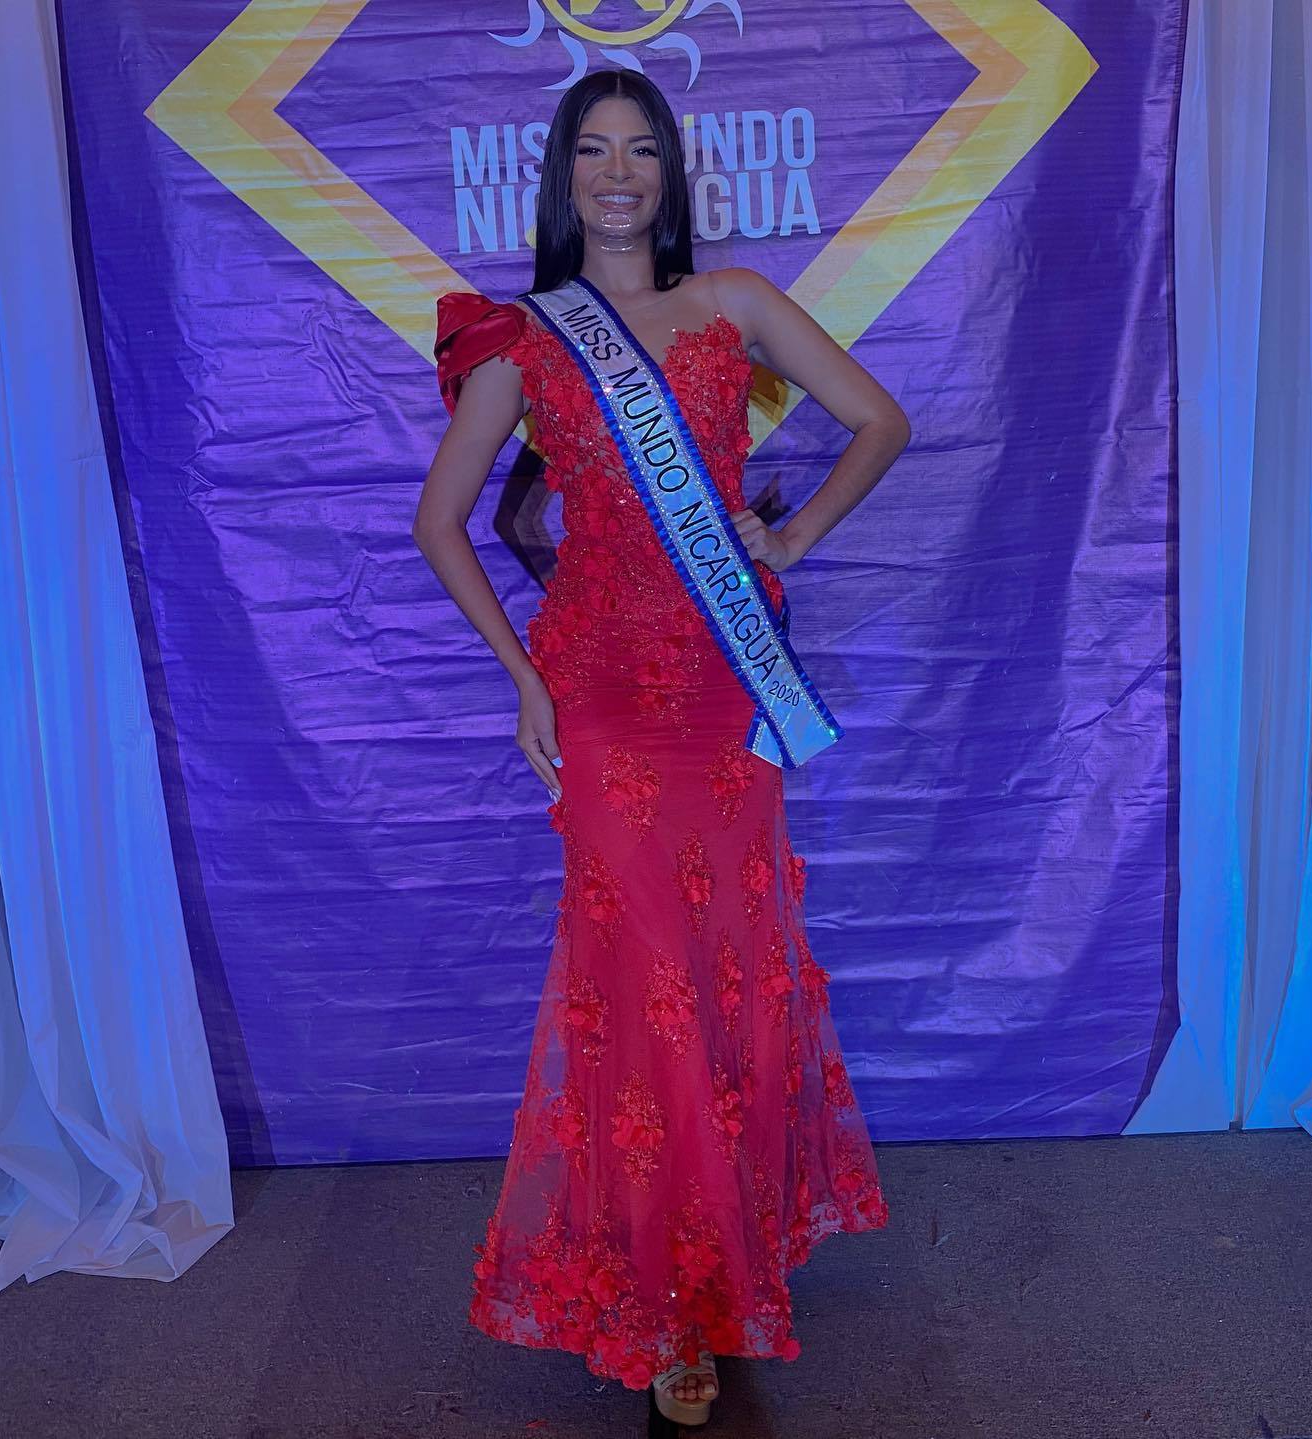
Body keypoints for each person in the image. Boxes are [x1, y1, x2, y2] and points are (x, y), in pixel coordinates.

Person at [413, 67, 910, 1429]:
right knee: (639, 988)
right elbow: (441, 522)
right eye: (594, 150)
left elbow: (882, 420)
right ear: (563, 176)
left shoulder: (733, 304)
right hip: (603, 705)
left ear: (671, 173)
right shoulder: (523, 339)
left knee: (727, 966)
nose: (619, 172)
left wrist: (789, 538)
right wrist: (524, 682)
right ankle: (671, 1302)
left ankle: (725, 1253)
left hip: (719, 694)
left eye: (641, 149)